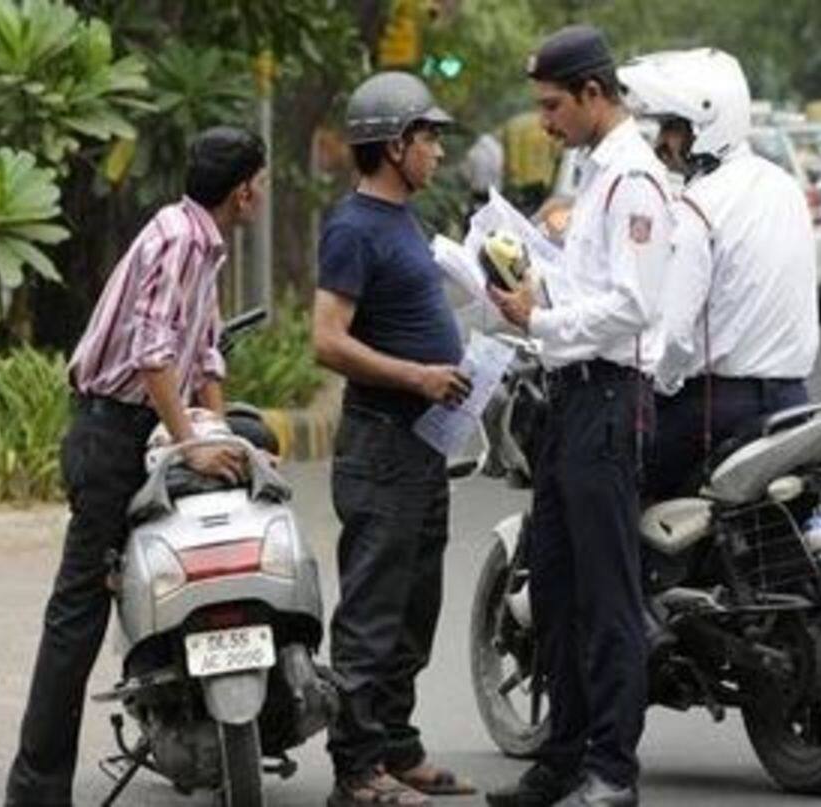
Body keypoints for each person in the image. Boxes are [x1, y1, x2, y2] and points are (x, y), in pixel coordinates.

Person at [3, 127, 267, 807]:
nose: (261, 192)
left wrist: (218, 426)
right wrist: (192, 444)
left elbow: (202, 353)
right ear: (244, 188)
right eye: (259, 181)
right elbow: (153, 355)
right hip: (110, 434)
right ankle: (34, 791)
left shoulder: (203, 242)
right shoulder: (180, 239)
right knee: (79, 608)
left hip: (140, 427)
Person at [485, 25, 672, 807]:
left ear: (595, 94)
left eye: (554, 105)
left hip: (606, 397)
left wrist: (541, 320)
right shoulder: (596, 174)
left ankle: (612, 769)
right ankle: (561, 755)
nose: (546, 122)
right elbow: (589, 282)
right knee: (555, 584)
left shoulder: (634, 179)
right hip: (569, 396)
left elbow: (634, 305)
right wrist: (528, 283)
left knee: (605, 593)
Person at [312, 71, 477, 807]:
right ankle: (355, 768)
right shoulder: (352, 227)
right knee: (374, 608)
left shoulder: (403, 219)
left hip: (421, 447)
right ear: (393, 144)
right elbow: (326, 340)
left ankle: (397, 744)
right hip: (381, 443)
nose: (438, 151)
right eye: (428, 137)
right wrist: (416, 377)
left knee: (416, 602)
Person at [618, 48, 821, 500]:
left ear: (703, 127)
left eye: (672, 127)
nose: (662, 143)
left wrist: (658, 383)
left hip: (717, 410)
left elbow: (674, 335)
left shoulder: (700, 206)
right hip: (794, 402)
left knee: (611, 480)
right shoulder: (784, 187)